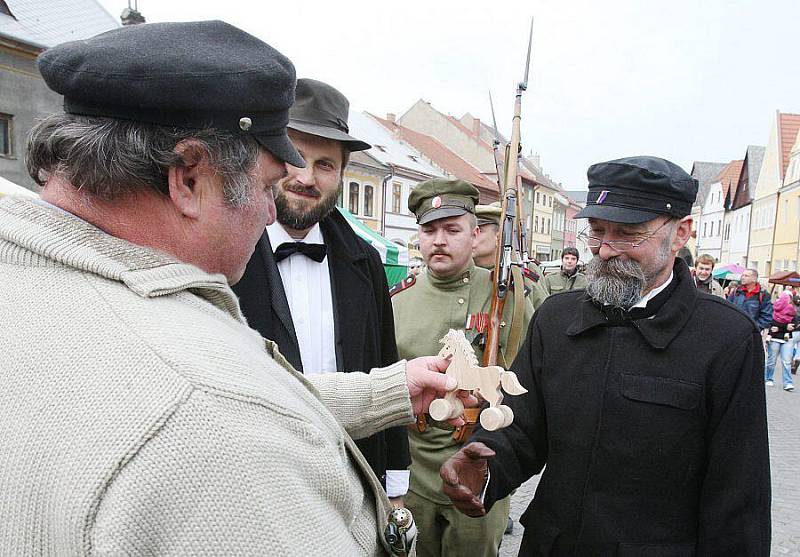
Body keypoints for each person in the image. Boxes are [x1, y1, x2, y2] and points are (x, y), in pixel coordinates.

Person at [0, 21, 471, 555]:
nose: (274, 209)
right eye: (267, 184)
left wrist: (384, 391)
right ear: (190, 178)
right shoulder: (209, 423)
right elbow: (225, 407)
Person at [441, 156, 770, 555]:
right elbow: (520, 427)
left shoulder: (726, 337)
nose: (607, 251)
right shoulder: (556, 318)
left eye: (629, 234)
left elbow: (738, 497)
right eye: (597, 233)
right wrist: (486, 468)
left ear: (680, 233)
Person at [233, 78, 410, 501]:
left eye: (325, 165)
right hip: (259, 479)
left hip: (350, 475)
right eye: (294, 157)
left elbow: (386, 363)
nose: (305, 177)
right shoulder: (227, 253)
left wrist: (396, 486)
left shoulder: (364, 261)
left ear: (342, 174)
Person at [391, 180, 534, 557]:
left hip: (478, 465)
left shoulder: (508, 295)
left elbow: (530, 376)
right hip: (414, 467)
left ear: (475, 235)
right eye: (429, 229)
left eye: (452, 229)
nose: (439, 240)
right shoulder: (396, 300)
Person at [474, 201, 547, 310]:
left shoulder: (521, 275)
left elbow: (544, 316)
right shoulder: (458, 273)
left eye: (479, 231)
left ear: (498, 237)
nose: (471, 236)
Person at [765, 290, 796, 391]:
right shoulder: (774, 309)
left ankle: (788, 383)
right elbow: (770, 322)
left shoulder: (793, 310)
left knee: (787, 362)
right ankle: (768, 378)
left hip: (787, 339)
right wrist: (785, 327)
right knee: (771, 361)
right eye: (787, 297)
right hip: (774, 338)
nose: (788, 300)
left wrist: (780, 327)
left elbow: (794, 325)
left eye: (790, 297)